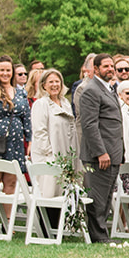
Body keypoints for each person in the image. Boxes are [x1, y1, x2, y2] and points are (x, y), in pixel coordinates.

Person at [77, 54, 124, 243]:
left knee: (106, 196)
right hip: (100, 155)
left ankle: (102, 233)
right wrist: (100, 152)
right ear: (95, 69)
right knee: (97, 197)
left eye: (112, 65)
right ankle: (98, 236)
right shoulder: (91, 90)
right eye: (106, 66)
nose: (110, 69)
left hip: (113, 152)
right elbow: (89, 125)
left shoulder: (109, 88)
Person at [0, 56, 32, 206]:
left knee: (11, 181)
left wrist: (29, 141)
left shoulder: (21, 93)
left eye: (8, 70)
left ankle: (7, 222)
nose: (5, 73)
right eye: (2, 70)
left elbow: (26, 118)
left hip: (15, 143)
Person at [29, 69, 76, 198]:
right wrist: (50, 154)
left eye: (57, 81)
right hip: (49, 157)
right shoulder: (41, 104)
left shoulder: (65, 103)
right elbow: (40, 132)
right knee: (49, 192)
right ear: (43, 85)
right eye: (51, 82)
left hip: (66, 153)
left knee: (64, 193)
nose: (54, 85)